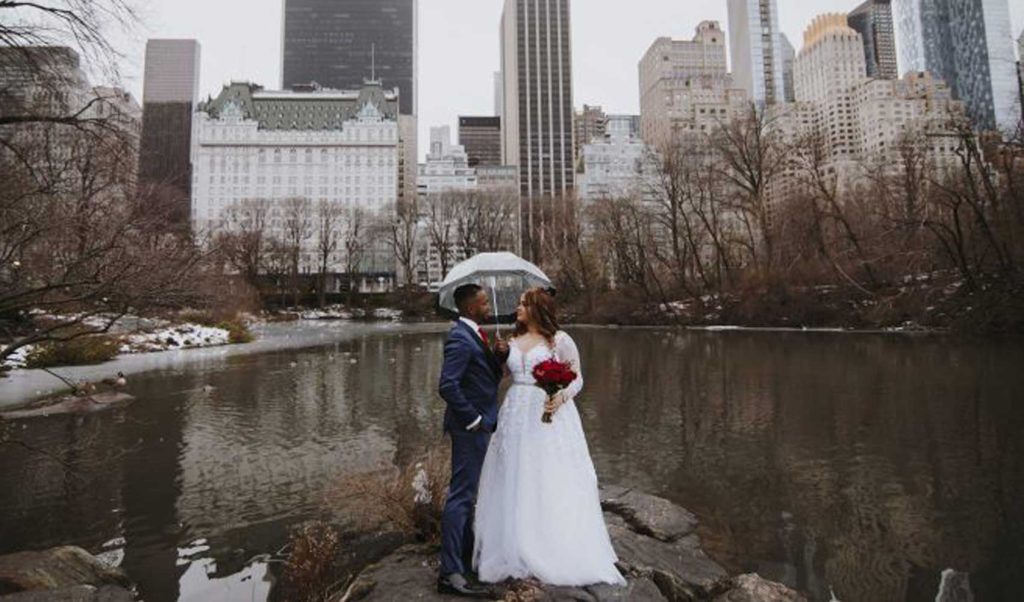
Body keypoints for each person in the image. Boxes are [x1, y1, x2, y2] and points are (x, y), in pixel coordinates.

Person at [473, 287, 625, 587]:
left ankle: (550, 541)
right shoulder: (512, 340)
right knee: (513, 474)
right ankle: (513, 542)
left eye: (523, 303)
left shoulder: (559, 340)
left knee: (546, 472)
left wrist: (561, 396)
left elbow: (578, 377)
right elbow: (501, 376)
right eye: (518, 303)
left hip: (549, 413)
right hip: (515, 411)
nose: (517, 308)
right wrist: (498, 356)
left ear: (538, 308)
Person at [437, 283, 509, 597]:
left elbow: (482, 376)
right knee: (461, 496)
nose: (488, 307)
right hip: (470, 429)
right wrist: (475, 420)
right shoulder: (459, 338)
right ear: (469, 308)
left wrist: (497, 356)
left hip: (478, 426)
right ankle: (449, 573)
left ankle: (463, 557)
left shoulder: (474, 334)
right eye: (483, 303)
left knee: (467, 494)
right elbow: (447, 386)